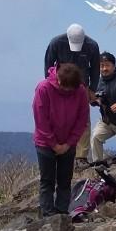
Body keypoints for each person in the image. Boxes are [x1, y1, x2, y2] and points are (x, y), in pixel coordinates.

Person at [33, 63, 90, 216]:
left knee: (65, 181)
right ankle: (48, 215)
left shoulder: (80, 92)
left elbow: (82, 119)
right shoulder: (44, 88)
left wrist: (69, 143)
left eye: (69, 88)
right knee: (47, 181)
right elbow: (41, 120)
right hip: (45, 144)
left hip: (68, 143)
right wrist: (53, 143)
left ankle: (62, 213)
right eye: (63, 86)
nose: (65, 90)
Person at [44, 24, 101, 164]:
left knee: (83, 120)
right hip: (60, 85)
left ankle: (81, 156)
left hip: (82, 85)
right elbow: (48, 65)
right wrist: (50, 85)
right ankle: (58, 148)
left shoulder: (92, 45)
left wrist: (92, 89)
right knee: (59, 117)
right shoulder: (56, 43)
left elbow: (95, 69)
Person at [89, 53, 116, 165]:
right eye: (101, 66)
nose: (104, 68)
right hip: (106, 121)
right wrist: (95, 101)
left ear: (114, 66)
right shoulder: (97, 82)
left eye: (107, 65)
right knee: (96, 137)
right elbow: (94, 101)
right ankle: (98, 165)